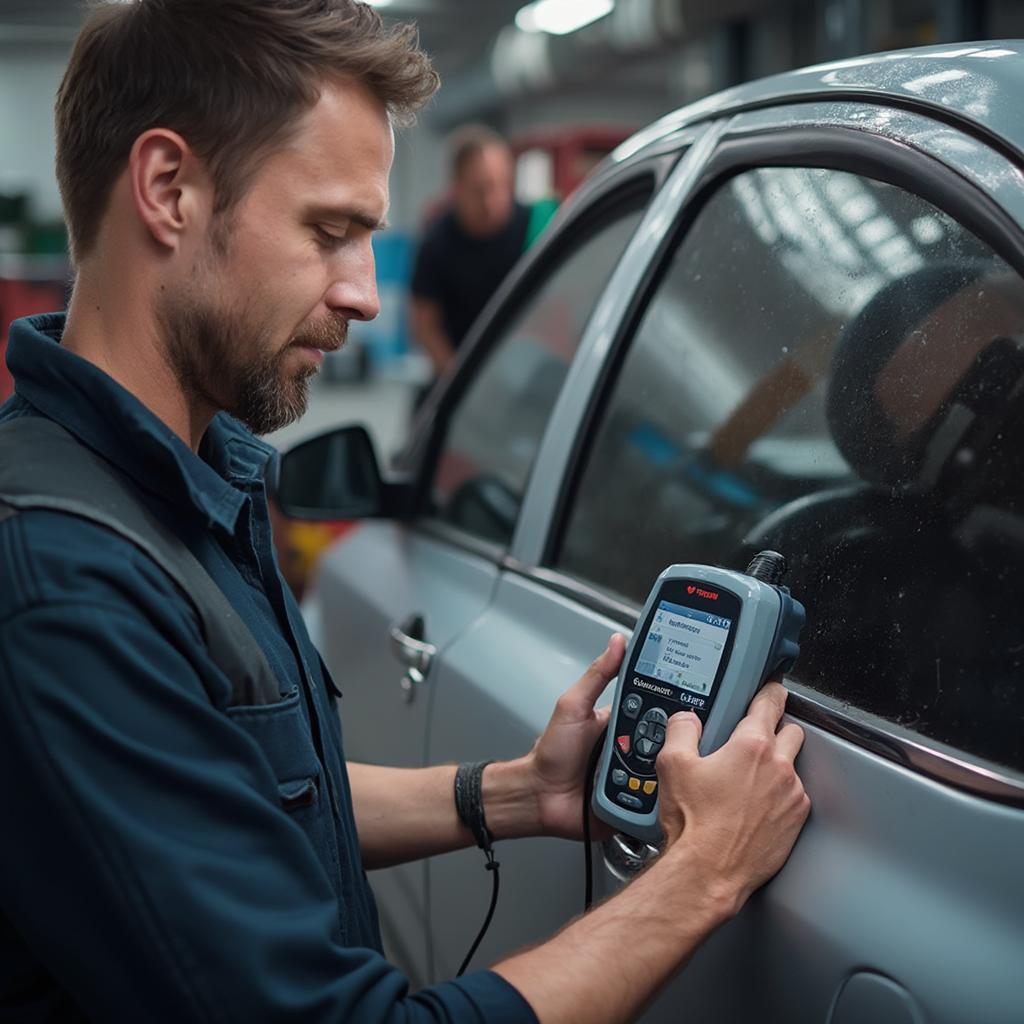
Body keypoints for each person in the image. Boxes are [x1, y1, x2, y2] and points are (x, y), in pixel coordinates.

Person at [0, 2, 809, 1022]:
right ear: (168, 189)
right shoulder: (61, 574)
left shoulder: (173, 485)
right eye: (329, 231)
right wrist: (703, 874)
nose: (364, 293)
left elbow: (249, 794)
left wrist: (513, 793)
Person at [410, 125, 532, 375]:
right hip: (458, 375)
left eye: (501, 186)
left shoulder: (536, 230)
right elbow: (425, 324)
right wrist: (458, 380)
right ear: (455, 187)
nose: (492, 201)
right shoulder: (436, 244)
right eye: (480, 189)